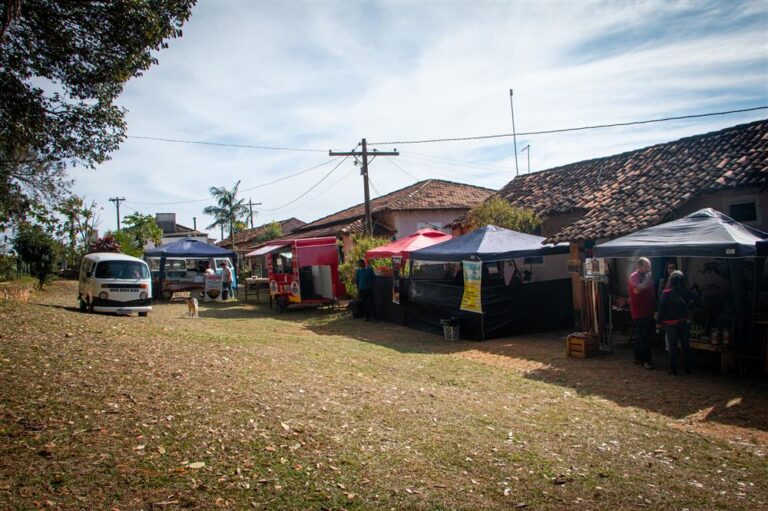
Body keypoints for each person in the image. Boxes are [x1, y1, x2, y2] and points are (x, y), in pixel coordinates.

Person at [658, 270, 698, 375]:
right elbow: (696, 299)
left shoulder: (666, 293)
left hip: (671, 323)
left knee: (673, 346)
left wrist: (659, 322)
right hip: (684, 322)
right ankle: (688, 367)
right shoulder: (686, 291)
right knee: (686, 345)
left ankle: (673, 368)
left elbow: (662, 309)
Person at [628, 257, 656, 369]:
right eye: (645, 266)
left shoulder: (646, 276)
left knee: (642, 335)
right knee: (645, 337)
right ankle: (647, 361)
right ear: (639, 267)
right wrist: (647, 280)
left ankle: (638, 357)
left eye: (649, 266)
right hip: (639, 311)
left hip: (648, 310)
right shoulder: (634, 277)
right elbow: (636, 290)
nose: (648, 268)